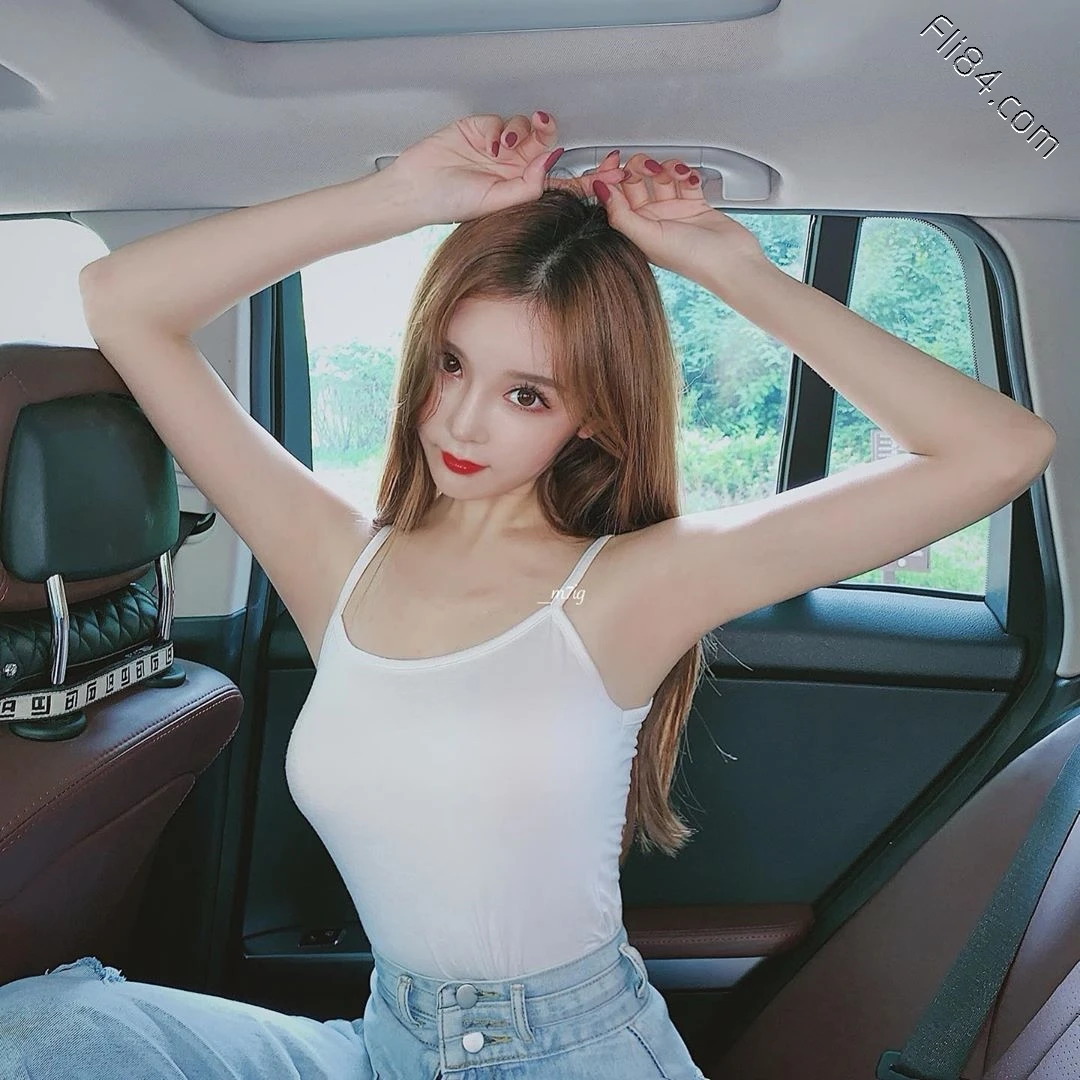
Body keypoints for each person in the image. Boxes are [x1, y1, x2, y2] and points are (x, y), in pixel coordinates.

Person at [0, 109, 1055, 1080]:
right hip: (384, 1045)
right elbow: (124, 305)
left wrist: (724, 266)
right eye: (451, 365)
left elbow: (999, 450)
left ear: (591, 415)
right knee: (49, 1031)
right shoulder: (334, 560)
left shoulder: (632, 587)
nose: (461, 422)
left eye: (526, 394)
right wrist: (404, 198)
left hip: (567, 1053)